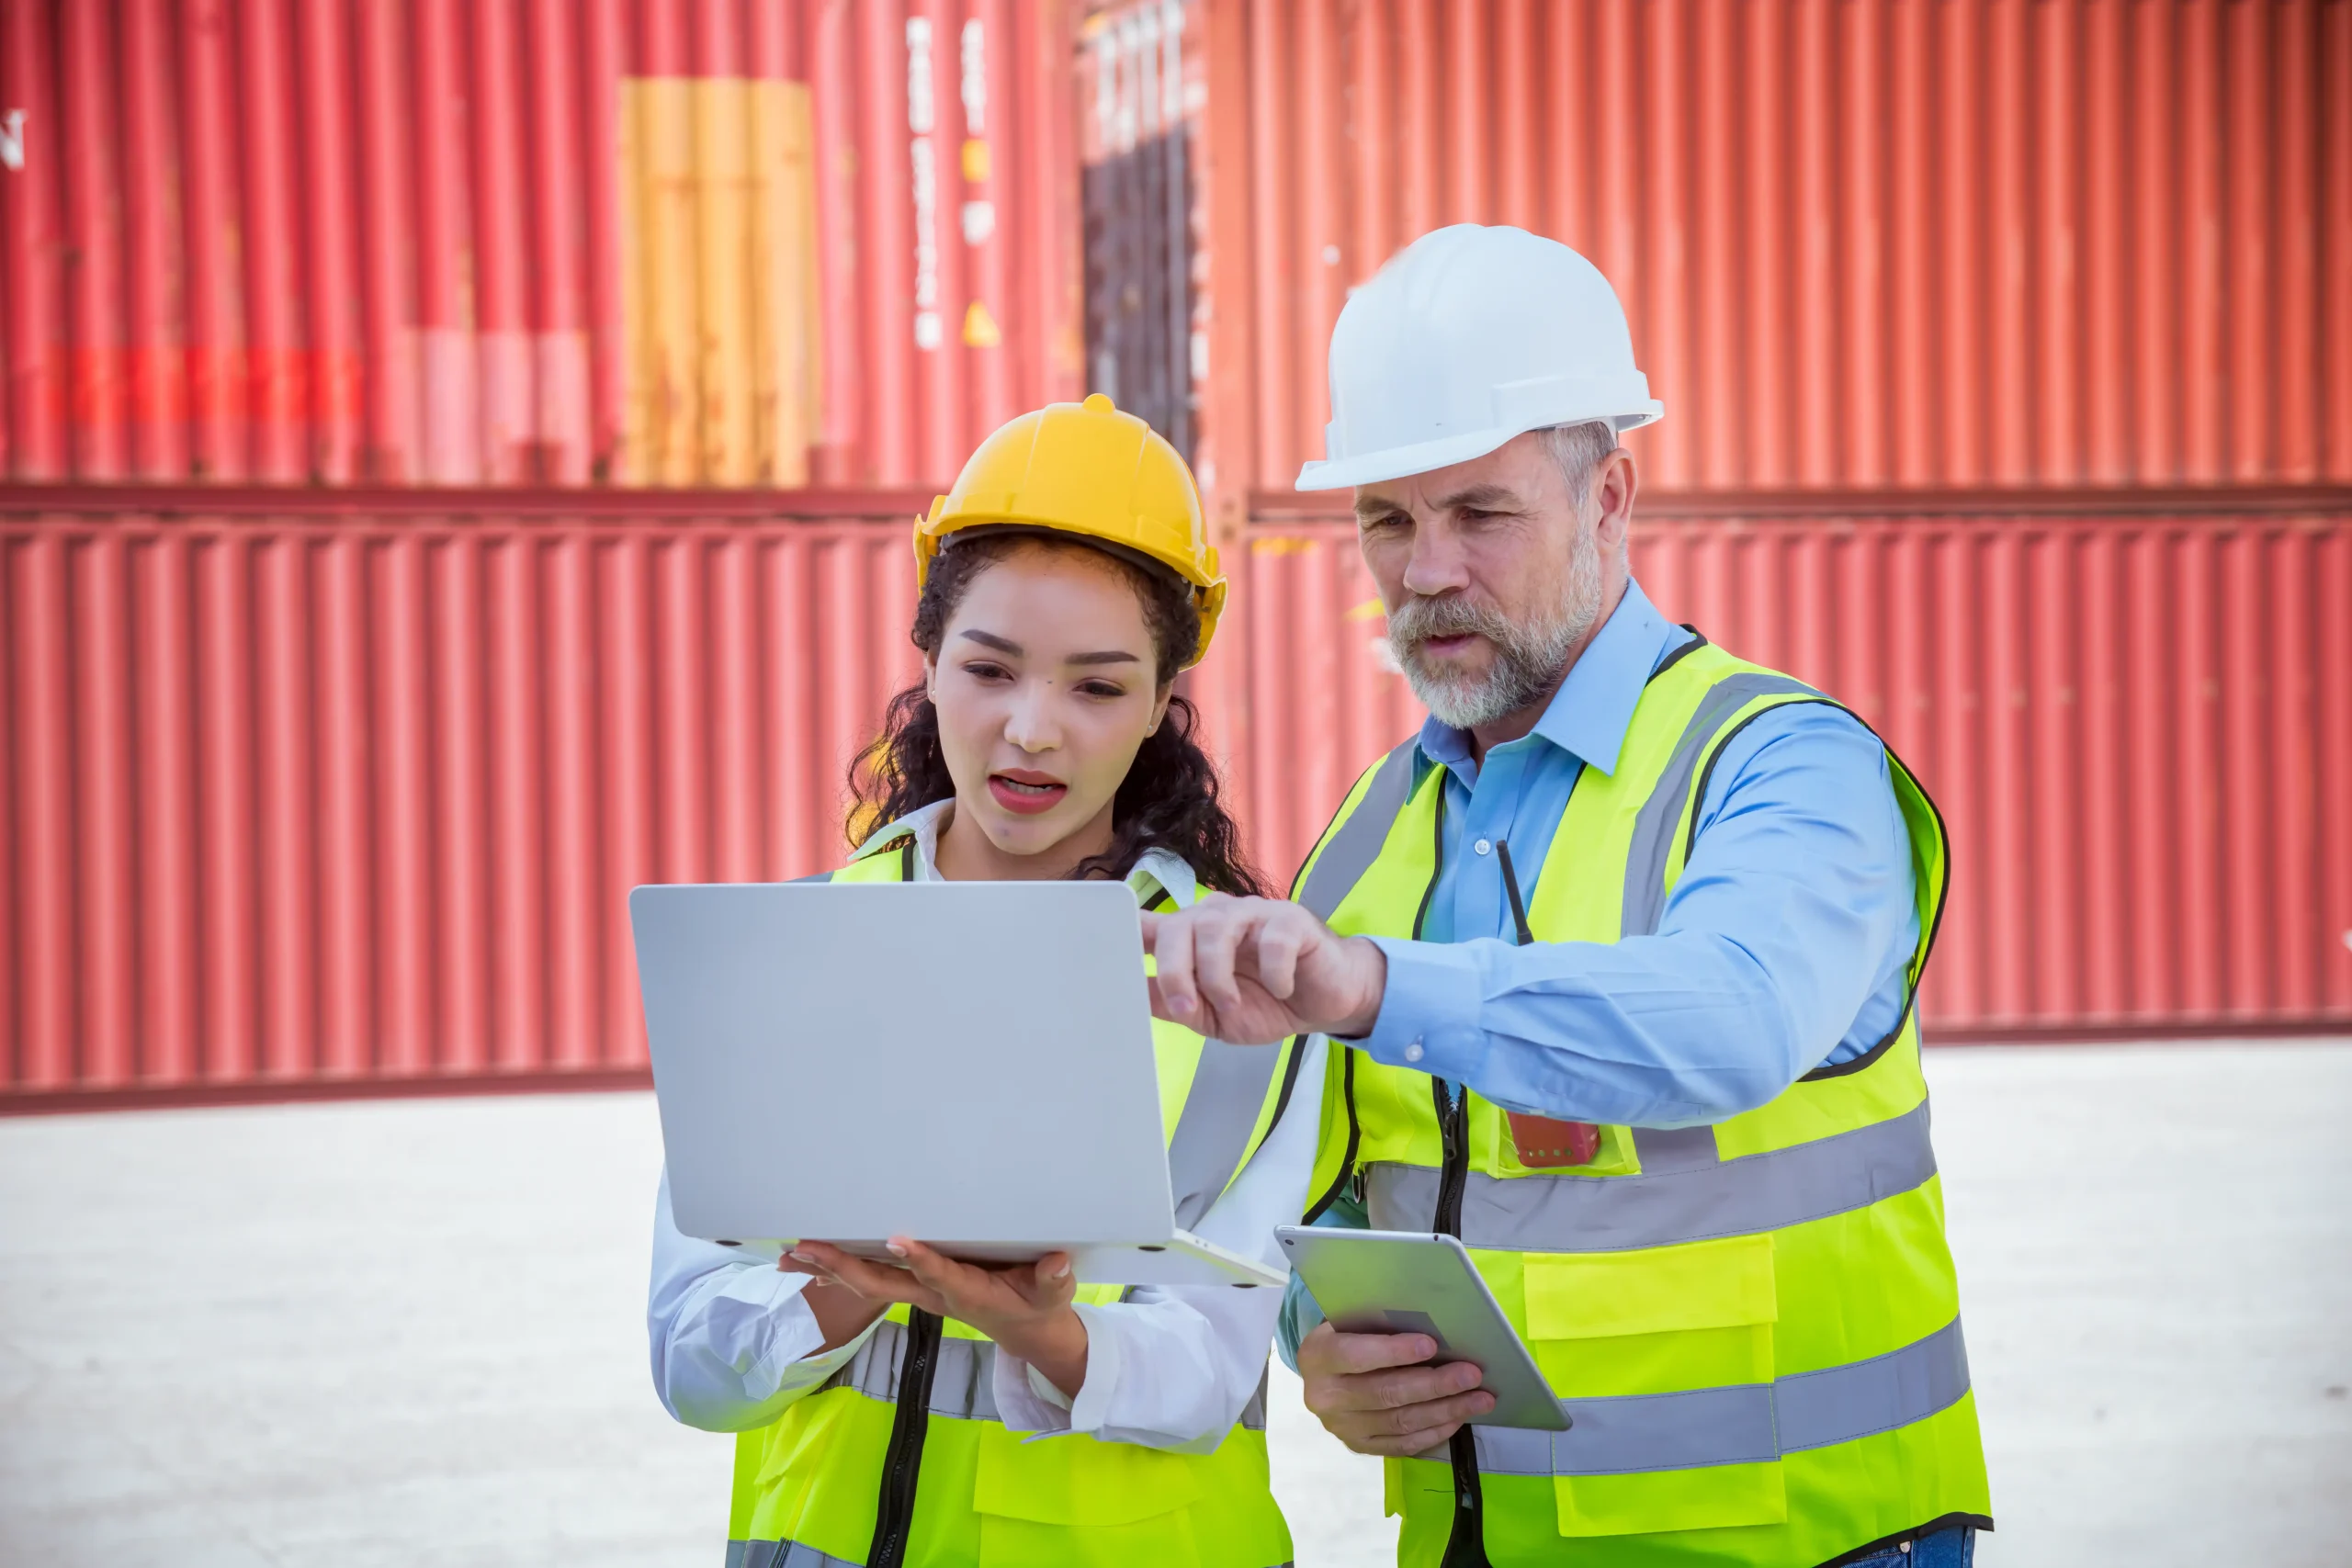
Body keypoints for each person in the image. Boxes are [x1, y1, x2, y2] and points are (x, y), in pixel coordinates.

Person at [1140, 226, 1992, 1567]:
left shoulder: (1783, 762)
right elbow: (1326, 1191)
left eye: (1481, 513)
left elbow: (1737, 1017)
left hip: (1806, 1544)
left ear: (1610, 499)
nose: (1425, 573)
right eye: (1388, 521)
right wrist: (1321, 1340)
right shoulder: (1370, 838)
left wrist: (1374, 985)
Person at [646, 394, 1314, 1568]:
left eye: (1098, 687)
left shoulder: (1235, 997)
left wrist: (1050, 1339)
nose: (1032, 731)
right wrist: (850, 1294)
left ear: (1164, 705)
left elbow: (1213, 1367)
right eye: (991, 670)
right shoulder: (791, 952)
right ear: (931, 662)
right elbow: (689, 1362)